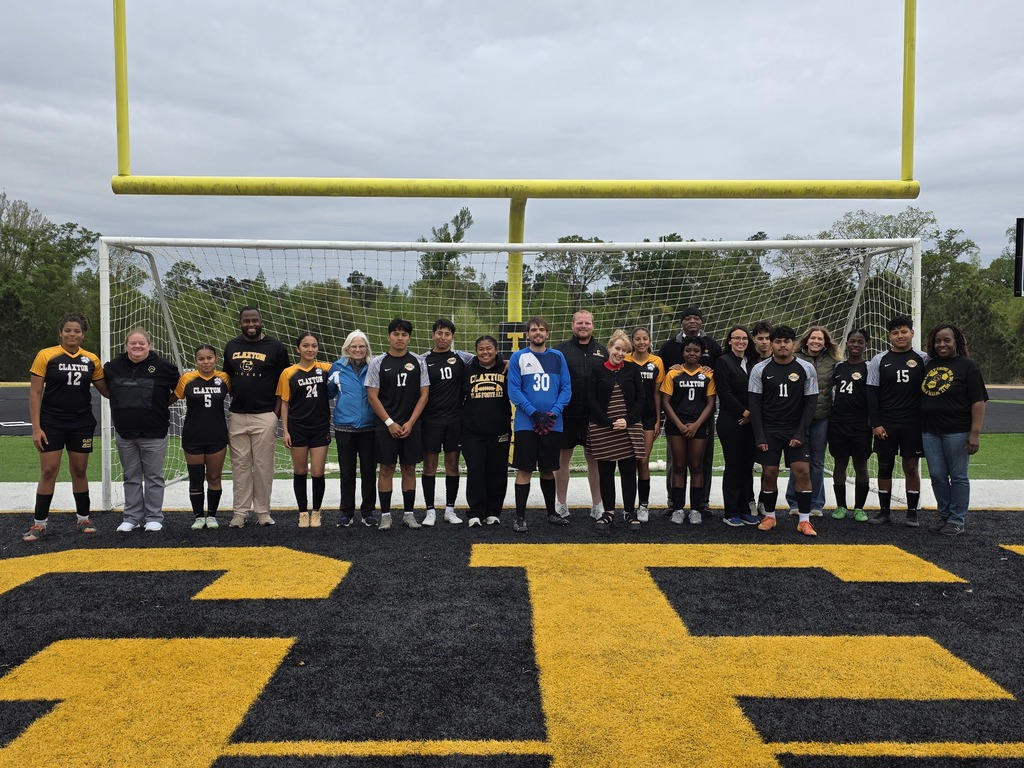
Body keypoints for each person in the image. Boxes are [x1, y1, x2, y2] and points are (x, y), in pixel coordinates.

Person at [22, 313, 109, 542]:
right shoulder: (46, 355)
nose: (72, 334)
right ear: (60, 332)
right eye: (68, 330)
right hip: (52, 422)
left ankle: (84, 518)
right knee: (49, 470)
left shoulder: (91, 359)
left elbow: (108, 391)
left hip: (81, 422)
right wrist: (36, 428)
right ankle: (39, 524)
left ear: (83, 334)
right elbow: (34, 393)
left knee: (79, 470)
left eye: (77, 331)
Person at [104, 328, 180, 532]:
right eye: (133, 343)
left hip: (154, 432)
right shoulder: (112, 367)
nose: (137, 346)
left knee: (154, 476)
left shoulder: (165, 367)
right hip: (125, 433)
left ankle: (154, 517)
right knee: (131, 476)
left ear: (149, 345)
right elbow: (106, 390)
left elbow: (179, 390)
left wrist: (162, 404)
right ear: (125, 345)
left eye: (141, 343)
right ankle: (131, 517)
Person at [748, 325, 819, 536]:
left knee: (803, 471)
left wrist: (800, 433)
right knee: (769, 473)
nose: (782, 345)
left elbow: (811, 404)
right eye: (777, 341)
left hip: (795, 430)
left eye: (786, 342)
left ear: (794, 344)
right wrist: (759, 435)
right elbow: (754, 405)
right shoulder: (759, 369)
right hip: (769, 430)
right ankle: (770, 516)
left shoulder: (806, 368)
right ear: (771, 343)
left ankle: (804, 521)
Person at [223, 306, 290, 527]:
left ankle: (263, 511)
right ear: (240, 323)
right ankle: (240, 513)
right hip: (238, 414)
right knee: (240, 465)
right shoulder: (231, 346)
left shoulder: (276, 347)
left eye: (254, 321)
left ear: (261, 321)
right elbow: (229, 379)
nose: (250, 325)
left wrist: (275, 413)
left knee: (263, 465)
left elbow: (284, 383)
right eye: (246, 321)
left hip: (265, 414)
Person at [920, 323, 988, 536]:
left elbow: (978, 402)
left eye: (947, 340)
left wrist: (974, 433)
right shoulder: (929, 365)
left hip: (957, 431)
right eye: (938, 340)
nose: (942, 344)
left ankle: (957, 519)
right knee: (937, 476)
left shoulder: (968, 365)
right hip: (930, 432)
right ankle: (944, 515)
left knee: (958, 476)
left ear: (956, 341)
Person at [508, 316, 572, 532]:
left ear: (547, 334)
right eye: (534, 329)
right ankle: (519, 517)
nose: (538, 333)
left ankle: (551, 513)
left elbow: (566, 388)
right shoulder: (519, 357)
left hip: (553, 423)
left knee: (548, 469)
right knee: (524, 469)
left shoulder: (557, 357)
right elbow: (514, 391)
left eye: (541, 329)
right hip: (527, 423)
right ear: (527, 334)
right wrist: (534, 413)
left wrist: (553, 413)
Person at [366, 318, 430, 531]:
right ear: (388, 336)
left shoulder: (418, 361)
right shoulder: (377, 362)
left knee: (409, 469)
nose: (400, 338)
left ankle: (409, 515)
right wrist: (390, 423)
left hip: (412, 425)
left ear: (409, 338)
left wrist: (411, 422)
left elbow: (424, 394)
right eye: (396, 334)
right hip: (385, 426)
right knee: (386, 469)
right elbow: (372, 396)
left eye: (404, 334)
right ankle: (385, 515)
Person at [658, 307, 722, 516]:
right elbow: (662, 378)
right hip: (677, 415)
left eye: (697, 318)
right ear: (682, 322)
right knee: (675, 462)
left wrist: (711, 371)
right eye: (688, 318)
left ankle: (701, 504)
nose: (693, 321)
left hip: (701, 416)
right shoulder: (669, 347)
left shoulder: (712, 345)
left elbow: (720, 372)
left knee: (702, 461)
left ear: (702, 322)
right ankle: (673, 503)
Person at [866, 315, 928, 527]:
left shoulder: (924, 358)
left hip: (913, 424)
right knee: (884, 467)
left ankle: (912, 513)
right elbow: (871, 394)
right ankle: (884, 512)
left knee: (911, 467)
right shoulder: (879, 359)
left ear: (911, 332)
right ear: (889, 336)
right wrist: (876, 423)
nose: (900, 336)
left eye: (904, 332)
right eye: (895, 333)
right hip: (887, 423)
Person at [588, 330, 646, 530]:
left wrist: (627, 420)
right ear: (609, 348)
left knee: (629, 471)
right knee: (606, 472)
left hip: (628, 428)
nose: (620, 353)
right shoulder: (597, 370)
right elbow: (591, 399)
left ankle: (630, 512)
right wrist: (607, 421)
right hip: (603, 429)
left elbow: (640, 399)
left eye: (624, 350)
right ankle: (608, 512)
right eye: (617, 348)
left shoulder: (632, 370)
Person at [419, 319, 474, 525]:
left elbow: (488, 358)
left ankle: (450, 510)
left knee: (452, 465)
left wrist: (506, 362)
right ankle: (430, 510)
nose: (443, 337)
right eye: (440, 333)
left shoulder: (463, 357)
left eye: (447, 334)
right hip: (430, 420)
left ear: (452, 337)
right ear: (433, 335)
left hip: (455, 420)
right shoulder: (422, 360)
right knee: (430, 466)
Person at [554, 310, 607, 520]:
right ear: (572, 325)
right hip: (566, 415)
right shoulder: (559, 351)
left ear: (593, 326)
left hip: (593, 417)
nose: (583, 326)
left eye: (587, 323)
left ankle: (597, 505)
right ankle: (561, 504)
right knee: (562, 459)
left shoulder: (603, 351)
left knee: (593, 459)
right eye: (579, 323)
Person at [278, 332, 333, 528]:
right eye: (306, 346)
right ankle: (302, 512)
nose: (310, 349)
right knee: (300, 471)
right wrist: (285, 430)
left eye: (314, 346)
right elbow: (284, 403)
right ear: (298, 348)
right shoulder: (288, 373)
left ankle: (316, 512)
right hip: (298, 427)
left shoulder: (326, 368)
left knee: (317, 471)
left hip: (320, 427)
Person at [174, 344, 231, 530]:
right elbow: (172, 398)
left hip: (217, 436)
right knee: (196, 478)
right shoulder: (187, 379)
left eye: (209, 358)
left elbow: (240, 395)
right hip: (193, 435)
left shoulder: (224, 379)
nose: (206, 362)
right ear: (196, 361)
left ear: (216, 359)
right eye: (201, 359)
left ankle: (212, 516)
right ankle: (199, 517)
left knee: (214, 477)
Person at [785, 326, 840, 517]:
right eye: (813, 338)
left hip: (821, 418)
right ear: (806, 340)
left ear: (825, 343)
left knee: (817, 462)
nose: (816, 341)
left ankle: (816, 503)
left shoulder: (833, 362)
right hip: (797, 419)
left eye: (820, 339)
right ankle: (794, 501)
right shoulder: (795, 358)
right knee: (797, 461)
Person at [461, 335, 512, 527]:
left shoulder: (507, 368)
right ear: (476, 351)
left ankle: (493, 511)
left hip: (500, 430)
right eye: (481, 349)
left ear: (496, 350)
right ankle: (475, 512)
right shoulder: (467, 370)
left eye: (489, 348)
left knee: (497, 471)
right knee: (475, 470)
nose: (485, 352)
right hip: (473, 432)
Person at [327, 329, 376, 527]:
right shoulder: (336, 368)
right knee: (347, 472)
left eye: (361, 346)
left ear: (366, 348)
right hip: (344, 428)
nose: (358, 349)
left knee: (369, 472)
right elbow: (329, 393)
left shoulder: (374, 367)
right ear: (347, 348)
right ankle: (346, 512)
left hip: (370, 428)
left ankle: (368, 511)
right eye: (354, 346)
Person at [715, 325, 761, 527]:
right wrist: (745, 413)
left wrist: (753, 416)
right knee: (733, 467)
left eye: (744, 338)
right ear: (730, 341)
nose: (741, 341)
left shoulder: (753, 363)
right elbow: (725, 393)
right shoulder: (723, 362)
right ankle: (730, 511)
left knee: (747, 467)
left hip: (752, 423)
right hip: (730, 421)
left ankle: (744, 509)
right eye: (737, 338)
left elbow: (760, 391)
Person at [829, 329, 872, 522]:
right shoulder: (838, 367)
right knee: (840, 464)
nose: (856, 345)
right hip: (838, 423)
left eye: (860, 342)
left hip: (861, 425)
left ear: (866, 345)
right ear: (846, 343)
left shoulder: (870, 367)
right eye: (852, 341)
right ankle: (841, 506)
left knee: (861, 465)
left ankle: (860, 508)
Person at [625, 327, 664, 522]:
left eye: (645, 339)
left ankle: (644, 505)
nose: (641, 342)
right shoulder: (625, 360)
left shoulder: (656, 362)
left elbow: (657, 394)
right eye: (637, 339)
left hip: (648, 418)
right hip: (629, 418)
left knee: (643, 461)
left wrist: (658, 419)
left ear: (649, 341)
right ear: (632, 341)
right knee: (629, 462)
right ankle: (628, 506)